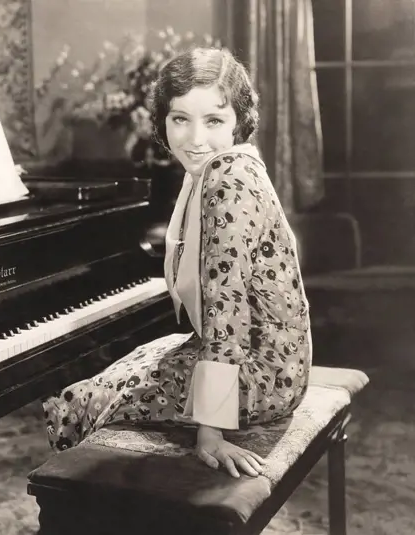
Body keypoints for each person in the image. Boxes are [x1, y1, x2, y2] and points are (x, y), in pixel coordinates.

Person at [43, 46, 311, 479]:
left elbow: (226, 313)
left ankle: (82, 517)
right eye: (180, 119)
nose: (195, 139)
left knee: (76, 403)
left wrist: (212, 430)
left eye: (214, 120)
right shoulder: (219, 170)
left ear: (239, 121)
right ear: (162, 122)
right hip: (276, 358)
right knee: (120, 372)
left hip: (263, 374)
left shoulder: (227, 181)